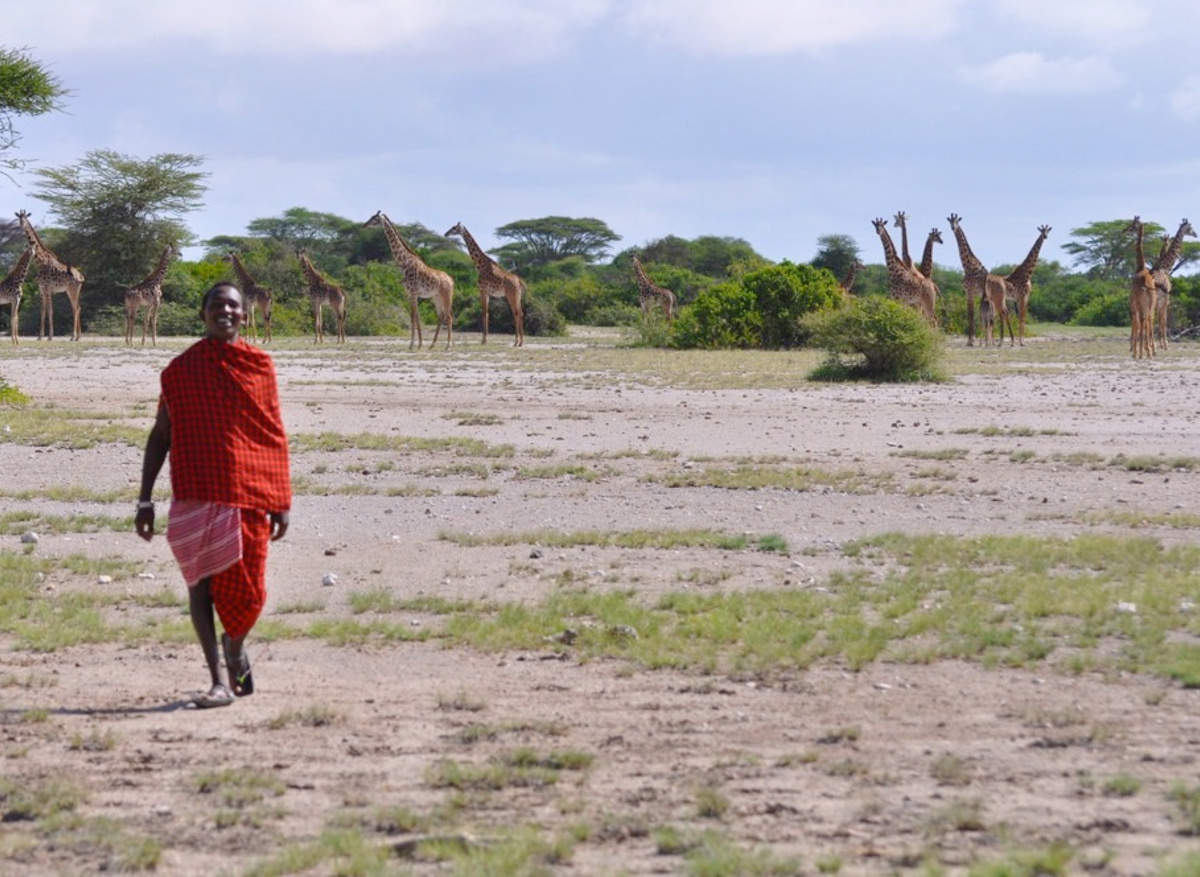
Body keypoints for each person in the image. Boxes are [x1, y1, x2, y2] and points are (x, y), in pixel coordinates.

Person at [136, 282, 291, 708]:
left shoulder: (260, 366)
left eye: (232, 305)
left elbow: (272, 433)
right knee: (200, 588)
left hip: (249, 495)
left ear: (245, 315)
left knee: (251, 590)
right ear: (203, 313)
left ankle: (235, 645)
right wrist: (145, 499)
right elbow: (161, 435)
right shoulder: (180, 371)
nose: (224, 310)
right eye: (216, 305)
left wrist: (280, 498)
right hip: (195, 492)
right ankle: (218, 681)